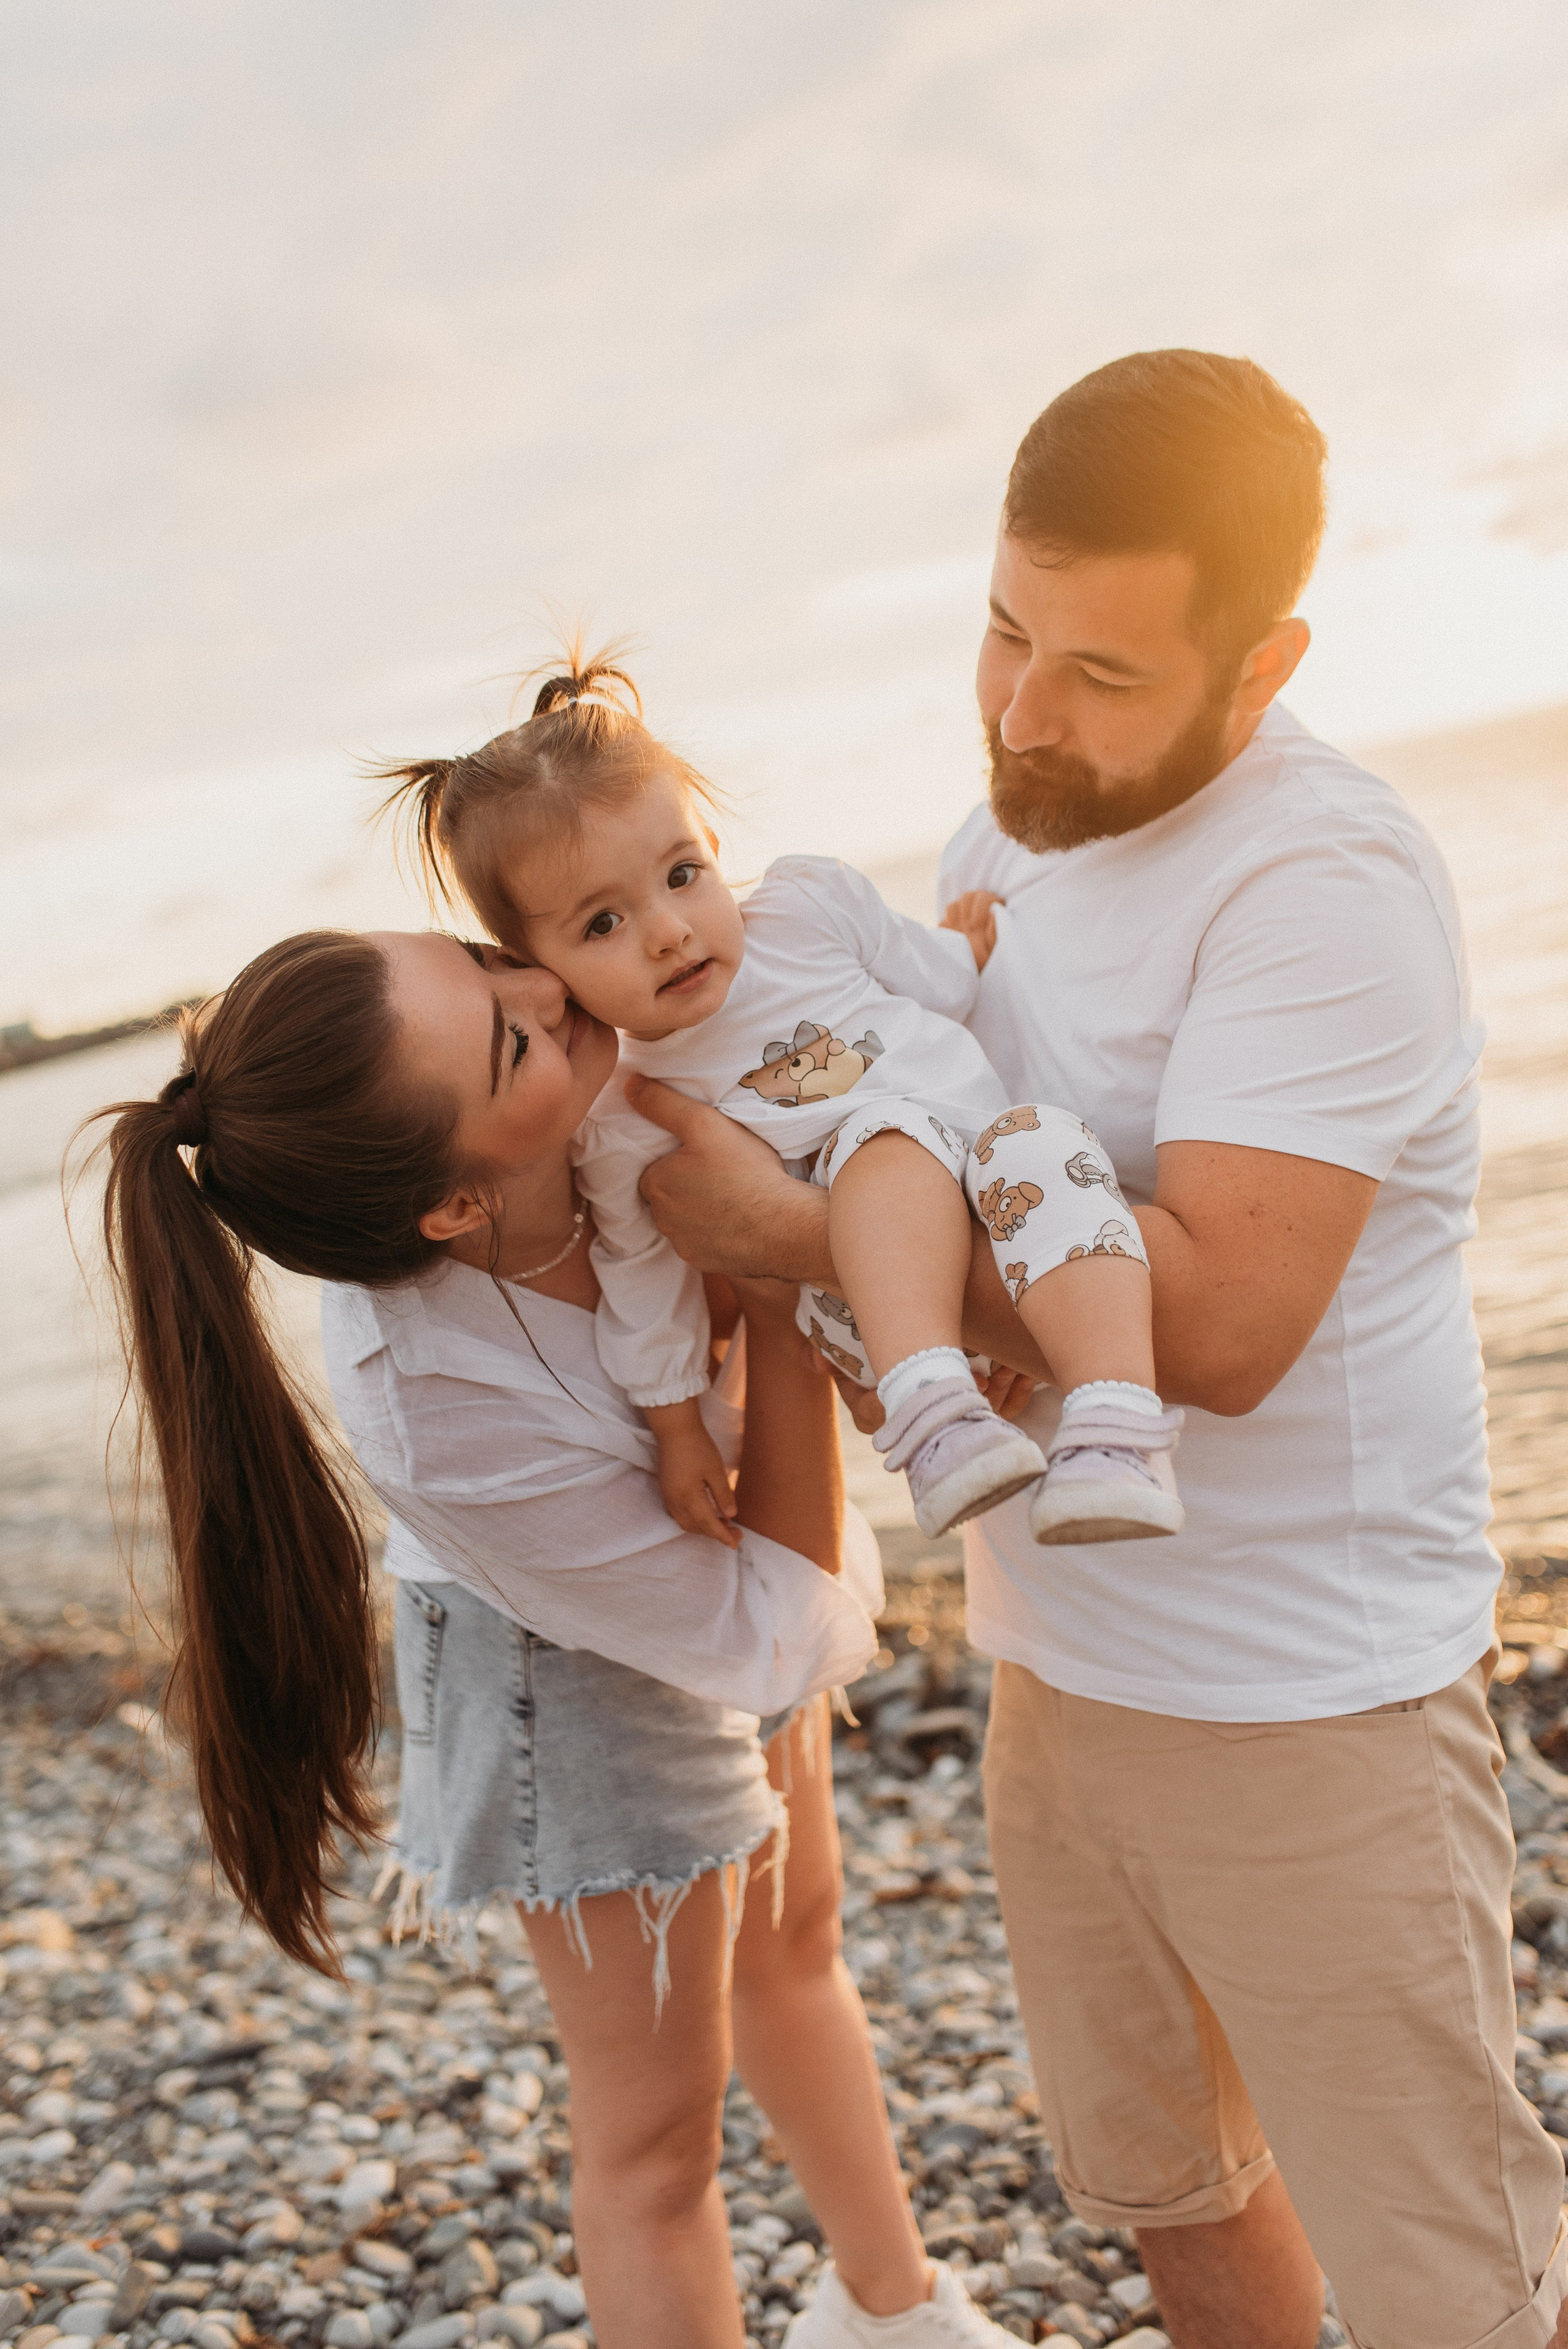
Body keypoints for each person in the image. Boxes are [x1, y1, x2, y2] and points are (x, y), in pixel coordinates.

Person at [629, 349, 1568, 2349]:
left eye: (1101, 674)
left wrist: (790, 1233)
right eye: (1000, 630)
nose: (1020, 711)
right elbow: (926, 1128)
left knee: (1454, 2287)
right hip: (1061, 1663)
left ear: (1264, 657)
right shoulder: (1015, 827)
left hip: (1312, 1704)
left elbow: (1218, 1321)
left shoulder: (1323, 882)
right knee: (1175, 2195)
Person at [89, 926, 1030, 2349]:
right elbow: (768, 1634)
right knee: (656, 2144)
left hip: (731, 1530)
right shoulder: (441, 1419)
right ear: (457, 1208)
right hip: (558, 1662)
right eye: (509, 1035)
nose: (549, 993)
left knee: (796, 1938)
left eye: (492, 959)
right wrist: (779, 1269)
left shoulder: (581, 1063)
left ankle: (892, 2312)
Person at [379, 654, 1184, 1553]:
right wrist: (677, 1429)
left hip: (1005, 1195)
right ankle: (934, 1416)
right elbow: (641, 1276)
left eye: (681, 874)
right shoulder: (624, 1107)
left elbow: (942, 984)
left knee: (1044, 1140)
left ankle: (1118, 1430)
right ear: (537, 964)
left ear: (713, 846)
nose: (668, 931)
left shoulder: (810, 909)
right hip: (867, 1316)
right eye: (602, 924)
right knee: (886, 1139)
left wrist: (962, 944)